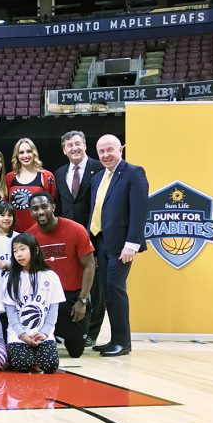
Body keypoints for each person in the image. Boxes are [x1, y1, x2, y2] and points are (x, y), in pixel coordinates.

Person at [88, 134, 148, 357]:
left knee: (115, 290)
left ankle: (123, 342)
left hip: (122, 245)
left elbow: (140, 211)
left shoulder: (134, 172)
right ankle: (114, 339)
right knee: (106, 292)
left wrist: (131, 245)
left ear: (120, 149)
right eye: (101, 151)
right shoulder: (98, 178)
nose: (105, 155)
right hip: (101, 242)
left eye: (109, 150)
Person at [26, 191, 95, 359]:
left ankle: (65, 333)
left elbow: (89, 266)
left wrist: (82, 300)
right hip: (45, 299)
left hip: (72, 297)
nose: (40, 212)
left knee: (76, 352)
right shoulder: (29, 236)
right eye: (35, 209)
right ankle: (53, 333)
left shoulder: (76, 230)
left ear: (53, 207)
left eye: (44, 206)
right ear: (30, 213)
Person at [54, 130, 104, 345]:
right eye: (69, 145)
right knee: (70, 284)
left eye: (77, 144)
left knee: (96, 286)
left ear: (85, 144)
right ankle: (68, 330)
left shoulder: (100, 169)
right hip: (68, 240)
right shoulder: (59, 173)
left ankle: (91, 333)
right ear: (64, 150)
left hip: (95, 236)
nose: (74, 148)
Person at [2, 233, 65, 373]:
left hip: (42, 334)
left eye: (22, 249)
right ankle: (17, 353)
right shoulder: (11, 278)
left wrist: (45, 333)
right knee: (23, 364)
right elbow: (10, 312)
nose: (18, 254)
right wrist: (22, 335)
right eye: (15, 251)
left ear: (35, 250)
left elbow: (53, 310)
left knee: (50, 365)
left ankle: (37, 353)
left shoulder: (51, 276)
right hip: (18, 335)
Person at [5, 138, 57, 232]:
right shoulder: (9, 177)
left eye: (29, 151)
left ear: (34, 153)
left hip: (40, 231)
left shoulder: (46, 176)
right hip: (14, 232)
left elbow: (52, 205)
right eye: (21, 152)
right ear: (16, 155)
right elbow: (5, 205)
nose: (25, 155)